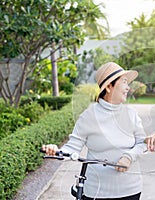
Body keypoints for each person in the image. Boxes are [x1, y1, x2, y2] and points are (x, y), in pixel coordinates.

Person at [42, 62, 146, 200]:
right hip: (97, 192)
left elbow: (142, 143)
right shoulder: (89, 116)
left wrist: (129, 157)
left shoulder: (131, 114)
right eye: (124, 82)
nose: (128, 88)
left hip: (130, 190)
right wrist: (56, 151)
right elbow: (72, 148)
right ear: (109, 87)